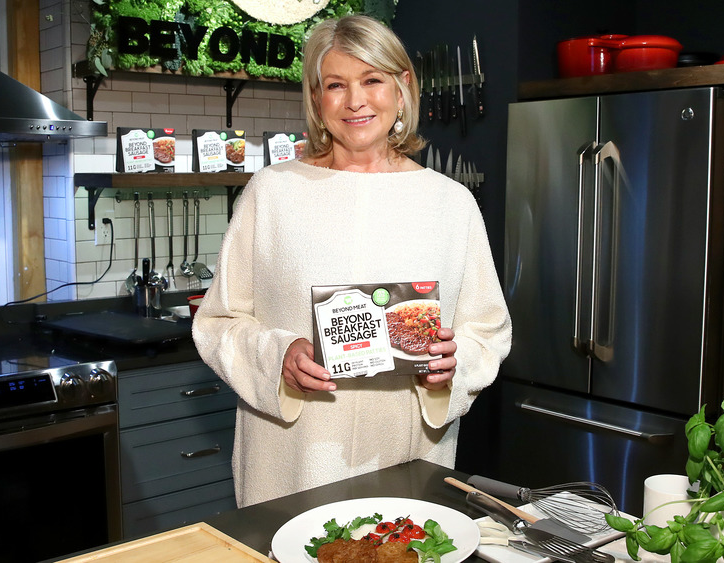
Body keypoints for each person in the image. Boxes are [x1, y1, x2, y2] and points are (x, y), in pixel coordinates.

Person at [191, 14, 511, 508]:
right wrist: (280, 355)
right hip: (293, 460)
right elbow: (218, 323)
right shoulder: (273, 193)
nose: (355, 100)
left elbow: (486, 329)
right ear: (316, 98)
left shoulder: (450, 203)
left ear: (403, 86)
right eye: (336, 85)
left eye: (372, 80)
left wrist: (456, 362)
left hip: (407, 458)